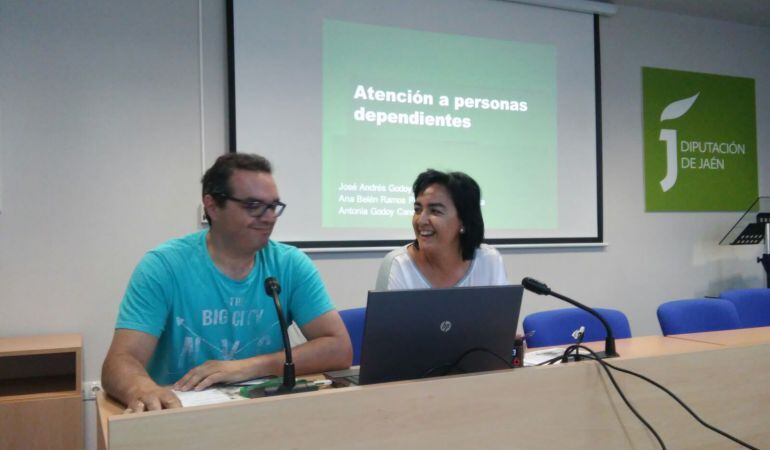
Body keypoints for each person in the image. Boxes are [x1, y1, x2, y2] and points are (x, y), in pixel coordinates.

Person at [102, 153, 352, 412]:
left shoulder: (290, 264)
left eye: (273, 206)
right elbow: (119, 361)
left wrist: (247, 367)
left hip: (267, 413)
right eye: (253, 205)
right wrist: (142, 389)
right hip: (181, 416)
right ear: (212, 206)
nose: (268, 217)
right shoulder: (164, 266)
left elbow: (339, 348)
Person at [376, 169, 508, 290]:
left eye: (435, 211)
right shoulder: (399, 265)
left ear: (464, 221)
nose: (421, 220)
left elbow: (501, 315)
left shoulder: (489, 260)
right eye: (417, 209)